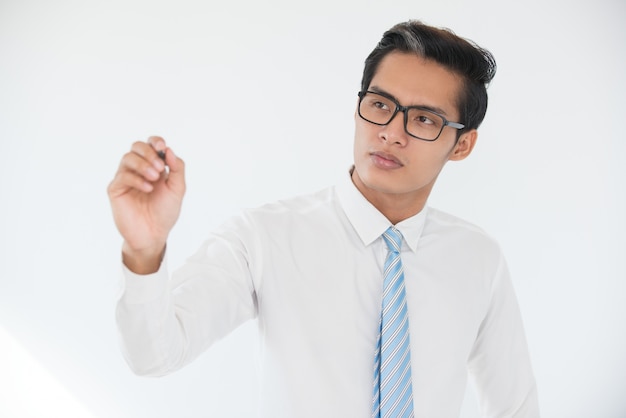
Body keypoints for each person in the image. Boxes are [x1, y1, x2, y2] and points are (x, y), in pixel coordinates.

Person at [108, 20, 539, 417]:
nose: (391, 131)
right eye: (380, 104)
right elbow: (154, 355)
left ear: (462, 145)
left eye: (424, 119)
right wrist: (144, 252)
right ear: (358, 107)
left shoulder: (478, 258)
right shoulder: (263, 237)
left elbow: (516, 406)